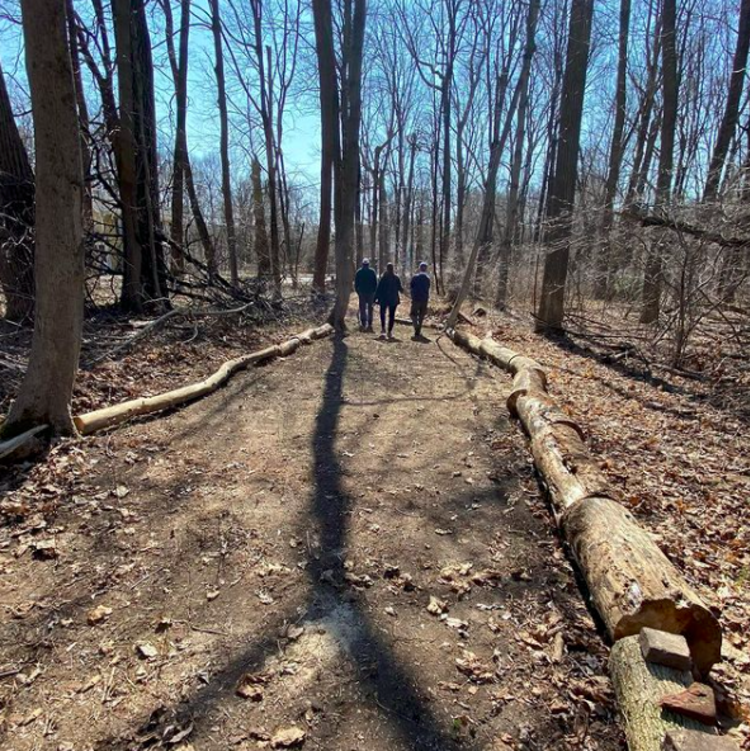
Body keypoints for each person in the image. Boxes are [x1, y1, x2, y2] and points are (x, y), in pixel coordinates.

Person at [374, 262, 403, 340]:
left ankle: (383, 329)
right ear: (393, 269)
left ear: (387, 269)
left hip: (384, 299)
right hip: (393, 299)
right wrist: (405, 292)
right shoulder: (396, 278)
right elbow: (400, 288)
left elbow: (378, 289)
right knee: (392, 315)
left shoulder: (384, 278)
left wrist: (375, 299)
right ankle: (389, 331)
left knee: (382, 313)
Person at [354, 258, 377, 331]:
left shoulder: (359, 272)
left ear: (362, 264)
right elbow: (375, 283)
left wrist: (358, 292)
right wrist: (374, 292)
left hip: (362, 293)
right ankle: (370, 324)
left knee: (362, 308)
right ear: (368, 264)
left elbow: (356, 284)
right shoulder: (372, 272)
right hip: (370, 293)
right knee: (370, 309)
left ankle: (363, 324)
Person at [410, 261, 431, 340]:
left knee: (413, 314)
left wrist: (412, 295)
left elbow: (411, 287)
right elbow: (428, 288)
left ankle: (416, 327)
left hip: (416, 299)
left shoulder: (415, 277)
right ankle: (418, 329)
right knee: (421, 315)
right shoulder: (427, 279)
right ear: (426, 269)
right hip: (424, 299)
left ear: (419, 268)